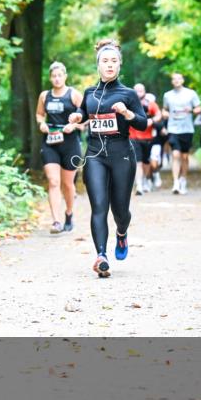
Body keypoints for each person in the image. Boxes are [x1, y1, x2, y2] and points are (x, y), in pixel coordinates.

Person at [68, 38, 148, 278]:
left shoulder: (128, 93)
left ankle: (121, 234)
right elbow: (83, 113)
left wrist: (127, 112)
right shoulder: (90, 92)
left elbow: (143, 124)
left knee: (120, 211)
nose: (109, 65)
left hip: (121, 154)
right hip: (94, 155)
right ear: (98, 65)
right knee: (99, 206)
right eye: (105, 61)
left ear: (120, 65)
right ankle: (101, 256)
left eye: (114, 61)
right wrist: (76, 117)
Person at [35, 62, 83, 233]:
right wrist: (41, 124)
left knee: (67, 184)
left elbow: (88, 118)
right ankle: (56, 221)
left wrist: (75, 126)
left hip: (70, 143)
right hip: (50, 142)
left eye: (59, 75)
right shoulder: (44, 96)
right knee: (54, 181)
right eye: (53, 76)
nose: (56, 79)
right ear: (50, 78)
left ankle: (69, 214)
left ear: (65, 76)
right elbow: (40, 114)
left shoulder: (74, 95)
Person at [162, 73, 201, 194]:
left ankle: (183, 179)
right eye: (174, 79)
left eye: (179, 78)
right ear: (172, 82)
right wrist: (165, 113)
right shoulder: (167, 95)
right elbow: (164, 109)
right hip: (173, 129)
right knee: (175, 155)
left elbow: (199, 109)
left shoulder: (191, 94)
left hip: (187, 129)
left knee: (184, 157)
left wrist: (191, 110)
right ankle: (176, 183)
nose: (177, 81)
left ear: (183, 80)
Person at [130, 83, 162, 195]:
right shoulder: (129, 103)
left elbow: (159, 115)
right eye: (136, 90)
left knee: (146, 162)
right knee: (137, 162)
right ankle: (139, 185)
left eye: (141, 90)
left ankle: (145, 180)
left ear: (144, 91)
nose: (139, 92)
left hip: (148, 138)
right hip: (133, 137)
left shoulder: (151, 104)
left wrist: (152, 121)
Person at [146, 92, 166, 189]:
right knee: (145, 163)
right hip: (144, 142)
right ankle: (148, 180)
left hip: (156, 143)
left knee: (153, 162)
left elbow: (164, 134)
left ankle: (156, 174)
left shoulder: (158, 119)